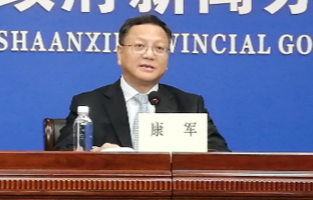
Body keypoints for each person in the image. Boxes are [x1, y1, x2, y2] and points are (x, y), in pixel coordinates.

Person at [56, 15, 229, 152]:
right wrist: (97, 155)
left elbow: (220, 156)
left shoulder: (189, 105)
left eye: (159, 48)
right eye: (139, 46)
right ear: (120, 53)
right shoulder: (89, 104)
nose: (149, 55)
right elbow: (64, 154)